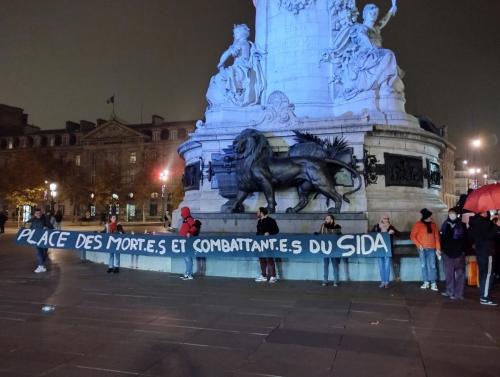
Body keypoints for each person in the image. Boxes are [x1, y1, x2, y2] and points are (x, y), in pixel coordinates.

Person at [469, 212, 497, 305]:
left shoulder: (474, 222)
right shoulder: (484, 223)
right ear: (483, 212)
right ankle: (485, 297)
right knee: (488, 274)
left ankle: (483, 294)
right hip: (487, 252)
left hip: (480, 251)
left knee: (483, 274)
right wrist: (497, 225)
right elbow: (489, 235)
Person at [410, 208, 441, 292]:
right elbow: (412, 236)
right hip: (422, 249)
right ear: (426, 217)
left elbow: (436, 237)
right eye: (430, 216)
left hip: (432, 248)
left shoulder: (433, 225)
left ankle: (433, 283)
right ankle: (426, 282)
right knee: (423, 265)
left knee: (432, 266)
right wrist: (418, 244)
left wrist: (438, 249)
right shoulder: (418, 224)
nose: (431, 217)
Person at [440, 208, 466, 300]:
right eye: (450, 213)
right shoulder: (445, 225)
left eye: (453, 213)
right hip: (447, 252)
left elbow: (465, 239)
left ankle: (459, 293)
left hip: (459, 252)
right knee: (449, 273)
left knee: (460, 273)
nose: (451, 215)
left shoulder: (462, 225)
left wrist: (463, 250)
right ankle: (449, 291)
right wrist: (441, 249)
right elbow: (442, 238)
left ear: (457, 214)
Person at [371, 215, 399, 288]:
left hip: (387, 249)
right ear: (381, 219)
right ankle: (382, 281)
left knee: (387, 266)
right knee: (381, 266)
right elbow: (371, 234)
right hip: (379, 249)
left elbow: (399, 234)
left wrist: (393, 232)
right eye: (384, 218)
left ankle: (386, 282)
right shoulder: (377, 226)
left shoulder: (390, 227)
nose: (386, 220)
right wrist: (377, 230)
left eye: (387, 218)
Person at [255, 207, 279, 283]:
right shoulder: (259, 221)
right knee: (261, 259)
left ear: (262, 212)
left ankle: (273, 276)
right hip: (260, 243)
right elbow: (258, 232)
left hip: (269, 242)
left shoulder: (271, 220)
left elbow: (276, 230)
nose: (257, 213)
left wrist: (269, 233)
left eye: (258, 212)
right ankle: (264, 275)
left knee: (269, 259)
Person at [319, 215, 342, 287]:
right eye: (325, 219)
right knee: (326, 265)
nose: (326, 220)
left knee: (335, 265)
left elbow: (339, 235)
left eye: (327, 219)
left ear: (332, 220)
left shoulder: (337, 226)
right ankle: (325, 280)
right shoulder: (323, 226)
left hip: (334, 249)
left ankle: (336, 281)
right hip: (325, 248)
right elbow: (320, 234)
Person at [179, 207, 200, 280]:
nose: (181, 213)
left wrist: (189, 232)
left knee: (188, 258)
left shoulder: (189, 219)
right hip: (184, 241)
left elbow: (194, 227)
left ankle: (189, 274)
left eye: (182, 211)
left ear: (185, 212)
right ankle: (187, 273)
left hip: (187, 242)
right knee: (186, 258)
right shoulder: (186, 219)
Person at [29, 208, 53, 273]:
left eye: (40, 213)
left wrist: (47, 227)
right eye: (37, 213)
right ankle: (41, 265)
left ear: (41, 213)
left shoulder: (45, 219)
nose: (38, 214)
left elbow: (51, 227)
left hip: (45, 240)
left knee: (44, 253)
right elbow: (30, 229)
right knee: (39, 252)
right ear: (35, 214)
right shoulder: (33, 220)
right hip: (37, 239)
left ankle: (41, 266)